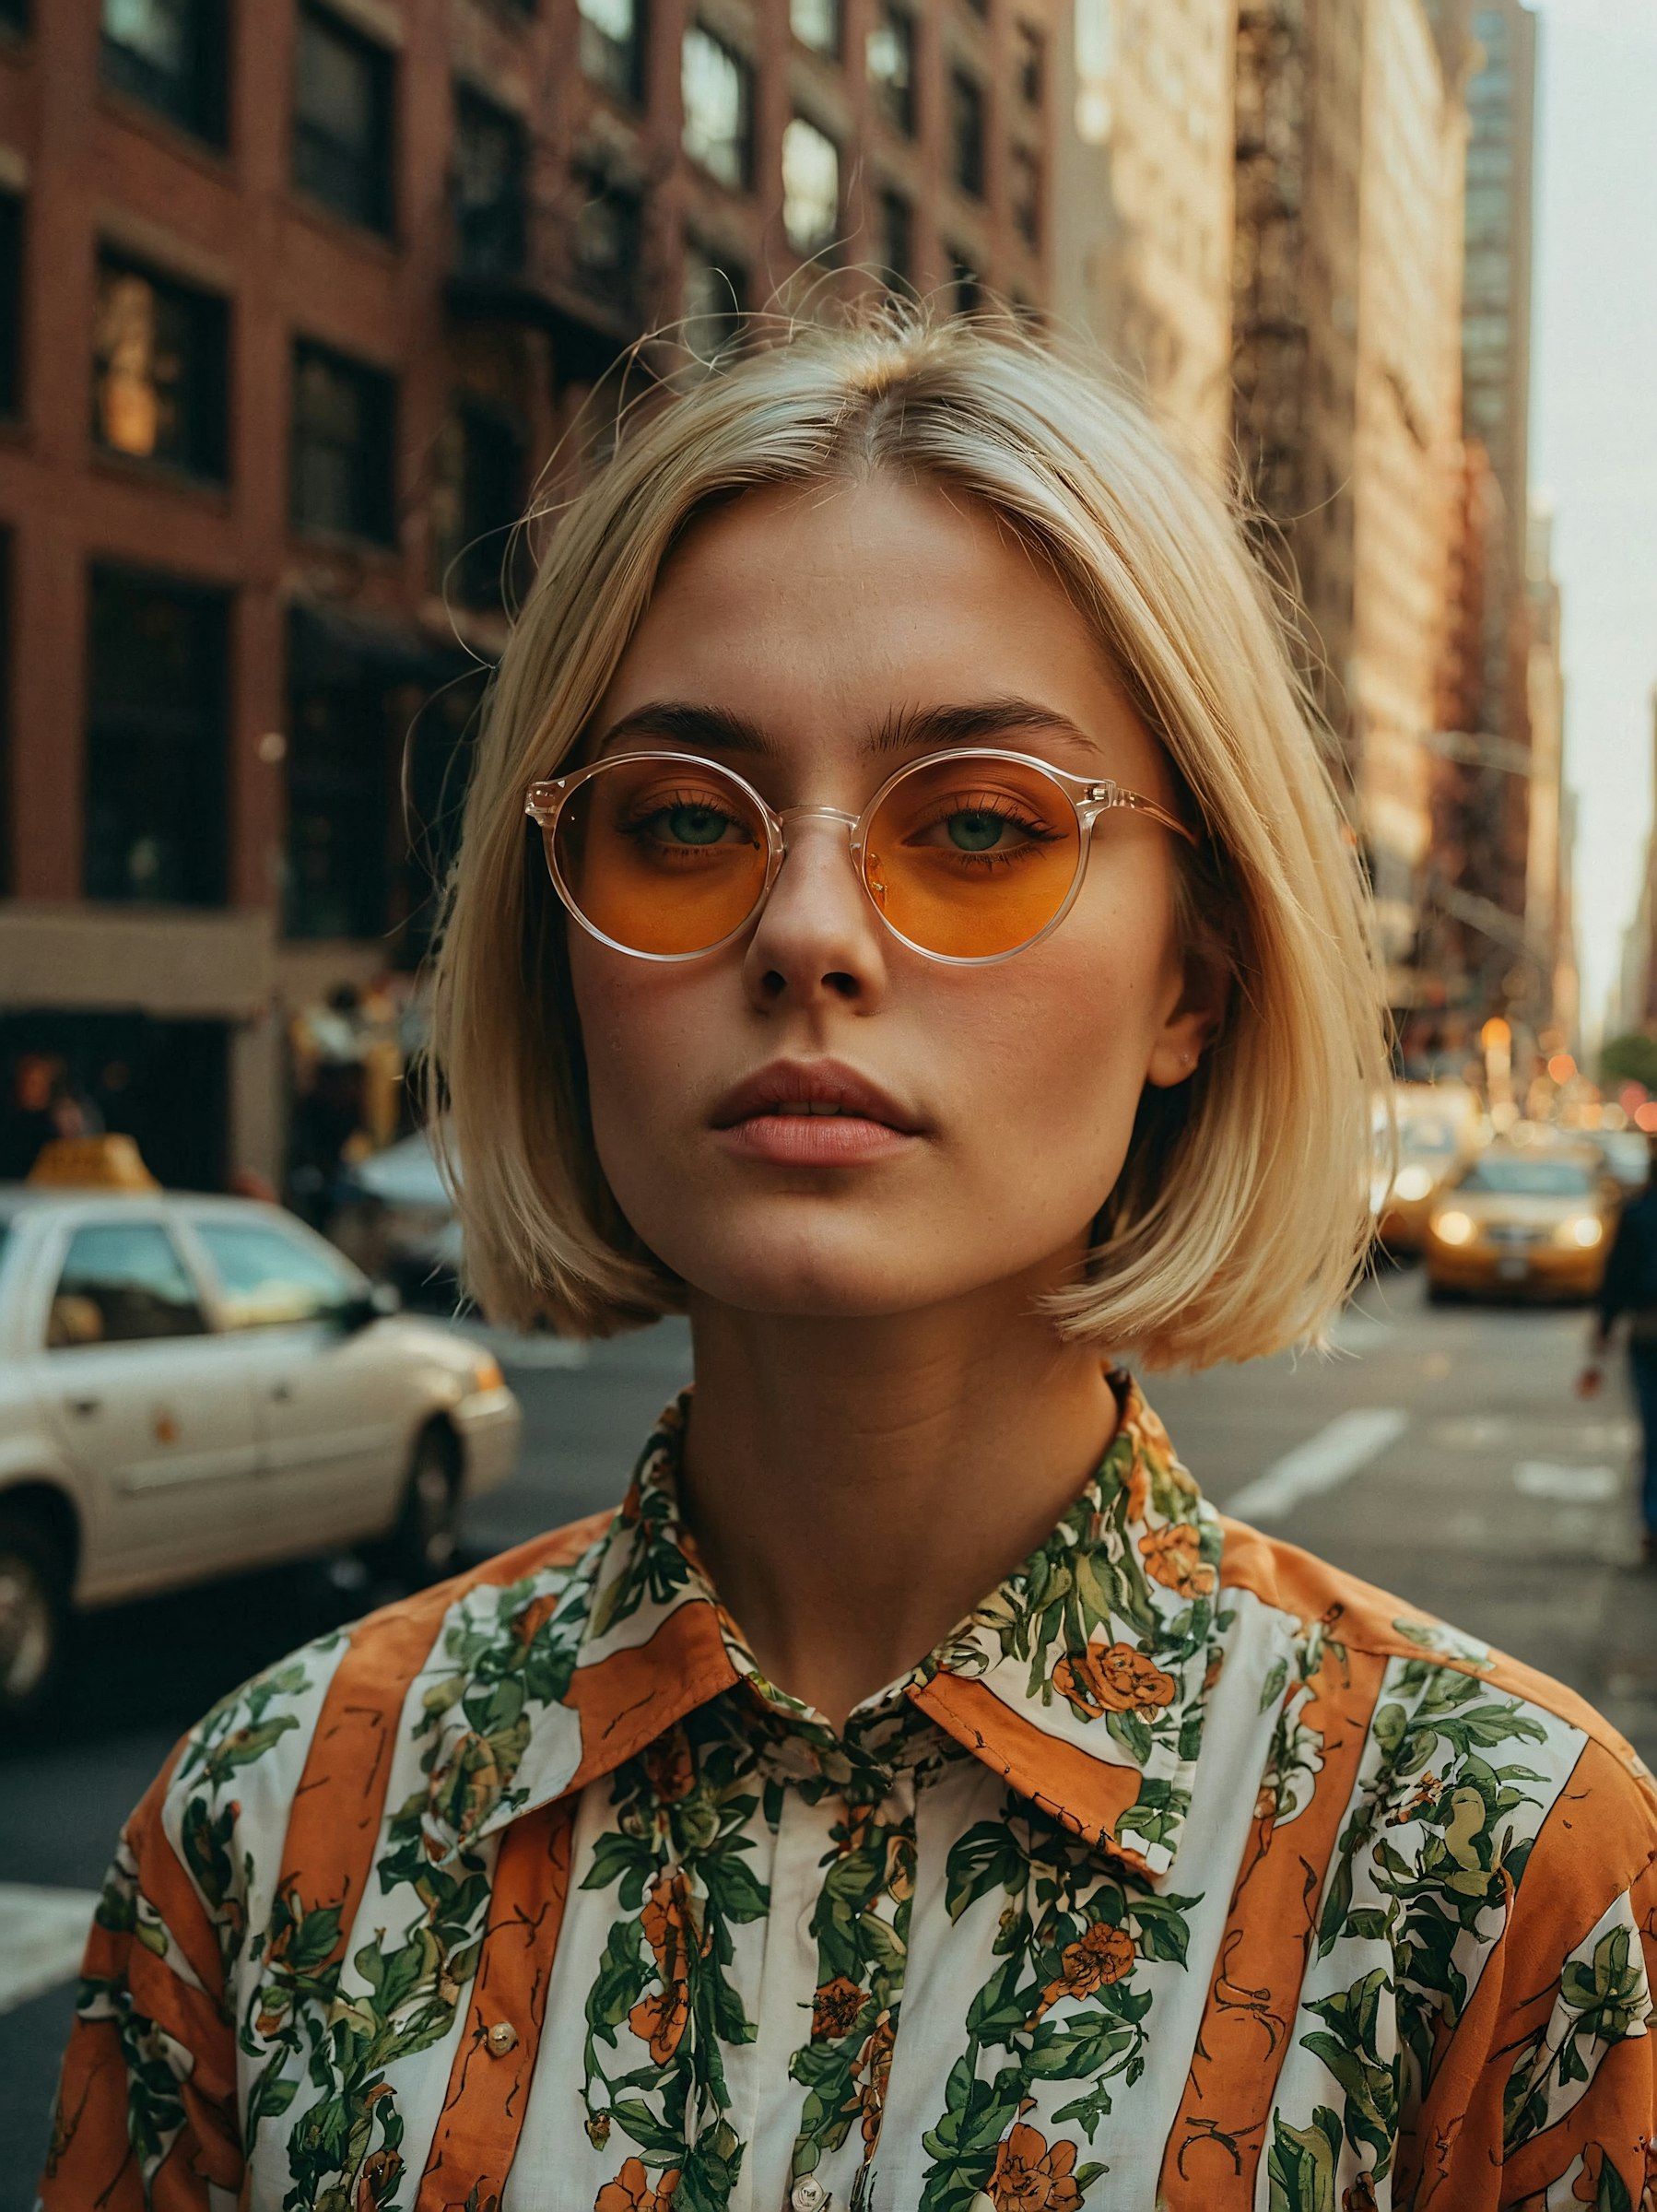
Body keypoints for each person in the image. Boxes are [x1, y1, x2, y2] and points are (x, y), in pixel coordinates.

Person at [41, 316, 1657, 2211]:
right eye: (677, 822)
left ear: (1190, 983)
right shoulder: (254, 1832)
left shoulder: (1506, 1874)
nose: (806, 928)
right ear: (556, 949)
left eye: (973, 823)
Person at [1579, 1131, 1657, 1563]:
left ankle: (1652, 1522)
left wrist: (1604, 1328)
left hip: (1647, 1329)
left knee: (1653, 1430)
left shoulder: (1639, 1211)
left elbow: (1618, 1275)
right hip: (1647, 1331)